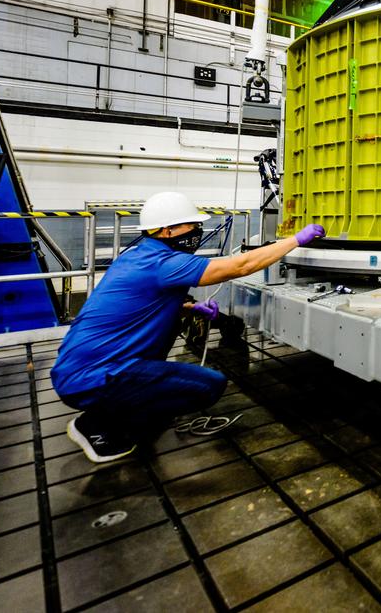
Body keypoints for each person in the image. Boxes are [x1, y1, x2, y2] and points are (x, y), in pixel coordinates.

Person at [51, 191, 325, 463]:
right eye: (191, 225)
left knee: (172, 328)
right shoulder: (166, 263)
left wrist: (190, 308)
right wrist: (295, 240)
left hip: (76, 367)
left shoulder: (137, 255)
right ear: (168, 231)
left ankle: (120, 408)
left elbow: (139, 302)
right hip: (93, 377)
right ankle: (96, 425)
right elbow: (242, 265)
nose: (197, 230)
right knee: (208, 386)